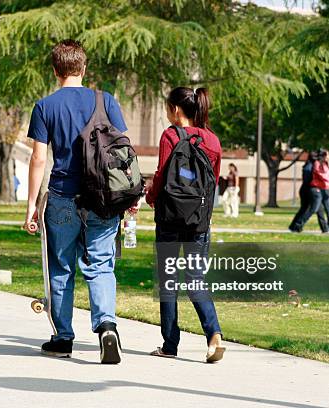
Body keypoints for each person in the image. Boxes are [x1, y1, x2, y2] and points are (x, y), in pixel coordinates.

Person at [22, 40, 134, 364]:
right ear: (83, 68)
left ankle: (62, 338)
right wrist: (129, 196)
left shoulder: (45, 106)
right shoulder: (106, 100)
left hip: (62, 197)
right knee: (101, 264)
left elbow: (39, 159)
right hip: (102, 197)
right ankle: (107, 327)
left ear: (56, 71)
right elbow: (122, 151)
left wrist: (32, 204)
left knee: (61, 266)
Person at [145, 87, 225, 363]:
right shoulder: (213, 140)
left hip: (169, 218)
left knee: (168, 280)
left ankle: (170, 344)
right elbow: (213, 181)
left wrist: (150, 197)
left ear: (176, 110)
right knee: (195, 279)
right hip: (199, 221)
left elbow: (161, 173)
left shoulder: (170, 135)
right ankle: (213, 333)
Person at [296, 149, 329, 234]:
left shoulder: (325, 164)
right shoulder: (317, 164)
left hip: (326, 189)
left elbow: (328, 176)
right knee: (314, 209)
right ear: (323, 156)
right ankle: (299, 224)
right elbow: (322, 176)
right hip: (317, 190)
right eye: (328, 155)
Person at [289, 151, 328, 233]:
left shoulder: (311, 165)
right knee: (309, 209)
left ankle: (324, 228)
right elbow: (307, 181)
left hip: (310, 190)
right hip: (308, 191)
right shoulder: (309, 167)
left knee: (318, 210)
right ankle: (297, 225)